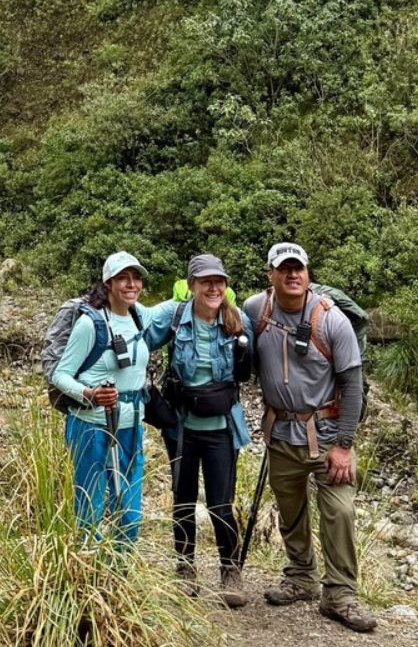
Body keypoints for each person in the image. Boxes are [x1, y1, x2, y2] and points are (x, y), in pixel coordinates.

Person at [243, 242, 378, 633]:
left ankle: (340, 595)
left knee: (340, 511)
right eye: (283, 269)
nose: (292, 275)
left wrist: (344, 446)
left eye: (298, 268)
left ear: (307, 272)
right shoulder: (256, 310)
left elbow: (352, 386)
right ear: (270, 274)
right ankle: (300, 577)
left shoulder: (331, 320)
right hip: (280, 434)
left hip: (328, 435)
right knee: (291, 509)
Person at [143, 254, 254, 606]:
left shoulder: (240, 322)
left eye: (219, 281)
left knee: (222, 503)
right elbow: (133, 340)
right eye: (205, 281)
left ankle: (229, 569)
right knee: (184, 499)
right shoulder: (173, 317)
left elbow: (257, 365)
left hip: (222, 427)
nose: (213, 287)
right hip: (180, 425)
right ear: (191, 285)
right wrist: (149, 397)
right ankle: (185, 566)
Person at [50, 250, 155, 545]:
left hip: (131, 426)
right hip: (91, 425)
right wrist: (89, 394)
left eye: (136, 278)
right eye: (123, 278)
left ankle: (118, 575)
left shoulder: (138, 317)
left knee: (130, 513)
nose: (131, 284)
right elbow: (60, 375)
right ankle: (88, 574)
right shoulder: (91, 324)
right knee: (90, 508)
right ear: (108, 283)